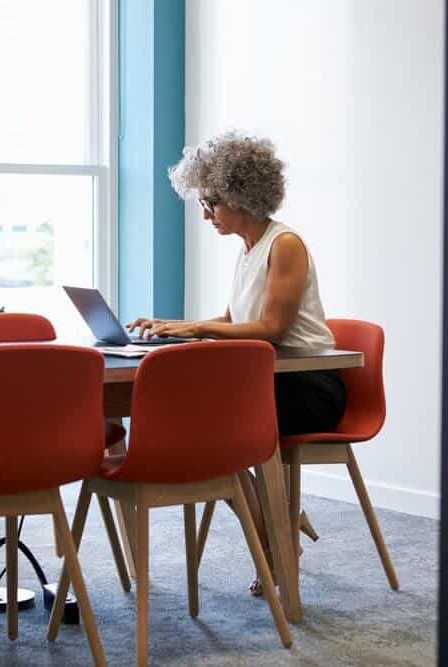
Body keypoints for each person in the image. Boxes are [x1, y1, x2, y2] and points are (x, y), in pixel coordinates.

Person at [127, 131, 346, 593]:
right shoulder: (248, 250)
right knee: (212, 443)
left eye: (211, 203)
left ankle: (277, 538)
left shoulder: (285, 245)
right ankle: (280, 529)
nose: (205, 215)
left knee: (215, 441)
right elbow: (232, 319)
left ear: (242, 195)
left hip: (308, 387)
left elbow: (271, 329)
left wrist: (197, 331)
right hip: (266, 385)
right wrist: (175, 325)